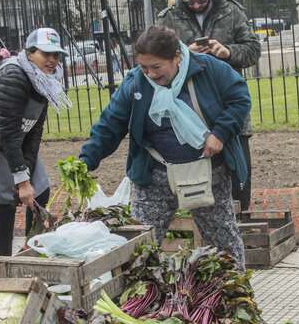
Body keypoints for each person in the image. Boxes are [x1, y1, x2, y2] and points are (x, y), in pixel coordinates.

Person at [79, 26, 250, 267]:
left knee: (223, 241)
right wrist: (86, 159)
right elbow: (110, 124)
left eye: (156, 67)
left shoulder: (209, 69)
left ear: (176, 57)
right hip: (154, 175)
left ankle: (232, 295)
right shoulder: (136, 83)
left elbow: (240, 99)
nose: (149, 74)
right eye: (143, 67)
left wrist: (220, 133)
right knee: (140, 245)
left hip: (206, 172)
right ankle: (139, 300)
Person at [0, 28, 70, 256]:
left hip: (14, 140)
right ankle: (4, 264)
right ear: (29, 53)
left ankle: (29, 251)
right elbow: (8, 131)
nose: (51, 60)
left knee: (40, 191)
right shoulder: (14, 77)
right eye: (45, 53)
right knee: (6, 201)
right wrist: (20, 182)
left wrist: (26, 172)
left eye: (55, 55)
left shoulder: (44, 81)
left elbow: (34, 131)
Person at [158, 0, 260, 211]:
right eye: (189, 0)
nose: (195, 5)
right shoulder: (168, 18)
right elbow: (156, 59)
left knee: (238, 170)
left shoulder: (232, 12)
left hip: (228, 103)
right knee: (192, 171)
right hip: (187, 110)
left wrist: (227, 52)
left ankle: (241, 217)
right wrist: (184, 54)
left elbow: (253, 50)